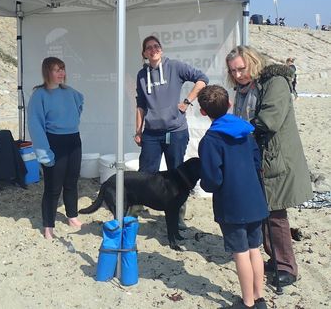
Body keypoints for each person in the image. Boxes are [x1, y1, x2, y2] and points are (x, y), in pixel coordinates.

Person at [225, 45, 313, 287]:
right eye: (233, 71)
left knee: (276, 214)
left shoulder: (275, 82)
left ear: (253, 62)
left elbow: (269, 120)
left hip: (276, 157)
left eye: (241, 69)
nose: (238, 75)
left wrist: (234, 130)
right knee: (262, 211)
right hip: (257, 156)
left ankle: (287, 266)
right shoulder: (243, 88)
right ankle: (274, 258)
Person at [197, 85, 268, 309]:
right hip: (255, 198)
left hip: (231, 203)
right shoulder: (246, 131)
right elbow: (257, 163)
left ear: (203, 112)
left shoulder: (210, 140)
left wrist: (208, 186)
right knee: (255, 248)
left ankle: (247, 302)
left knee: (241, 252)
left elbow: (212, 178)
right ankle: (260, 297)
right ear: (229, 104)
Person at [134, 35, 209, 228]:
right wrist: (138, 130)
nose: (153, 50)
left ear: (162, 49)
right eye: (148, 48)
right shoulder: (142, 76)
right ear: (144, 53)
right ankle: (138, 206)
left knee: (177, 174)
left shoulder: (174, 66)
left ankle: (178, 215)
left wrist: (187, 101)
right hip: (151, 132)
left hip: (176, 131)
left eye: (156, 46)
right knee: (146, 172)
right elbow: (140, 105)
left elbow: (202, 79)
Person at [27, 57, 84, 240]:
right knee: (53, 186)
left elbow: (79, 105)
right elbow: (35, 125)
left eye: (62, 69)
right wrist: (44, 152)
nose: (61, 73)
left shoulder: (71, 92)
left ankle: (72, 216)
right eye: (56, 70)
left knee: (72, 181)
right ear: (47, 72)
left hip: (73, 140)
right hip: (54, 142)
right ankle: (48, 225)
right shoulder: (39, 95)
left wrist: (69, 124)